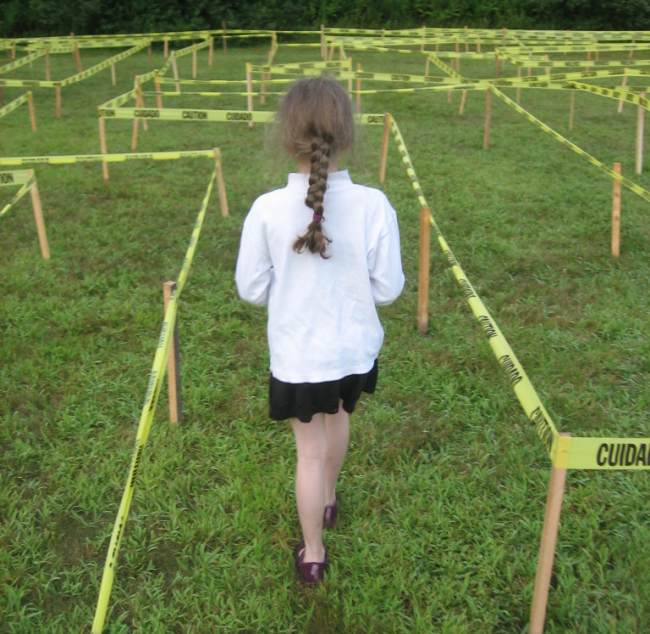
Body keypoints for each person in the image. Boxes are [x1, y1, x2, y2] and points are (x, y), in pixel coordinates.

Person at [235, 77, 405, 585]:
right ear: (346, 134)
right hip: (353, 353)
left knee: (309, 450)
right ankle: (328, 501)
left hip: (297, 356)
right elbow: (388, 289)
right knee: (339, 417)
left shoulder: (266, 208)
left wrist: (288, 291)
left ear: (288, 136)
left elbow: (250, 288)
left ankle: (313, 553)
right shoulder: (375, 205)